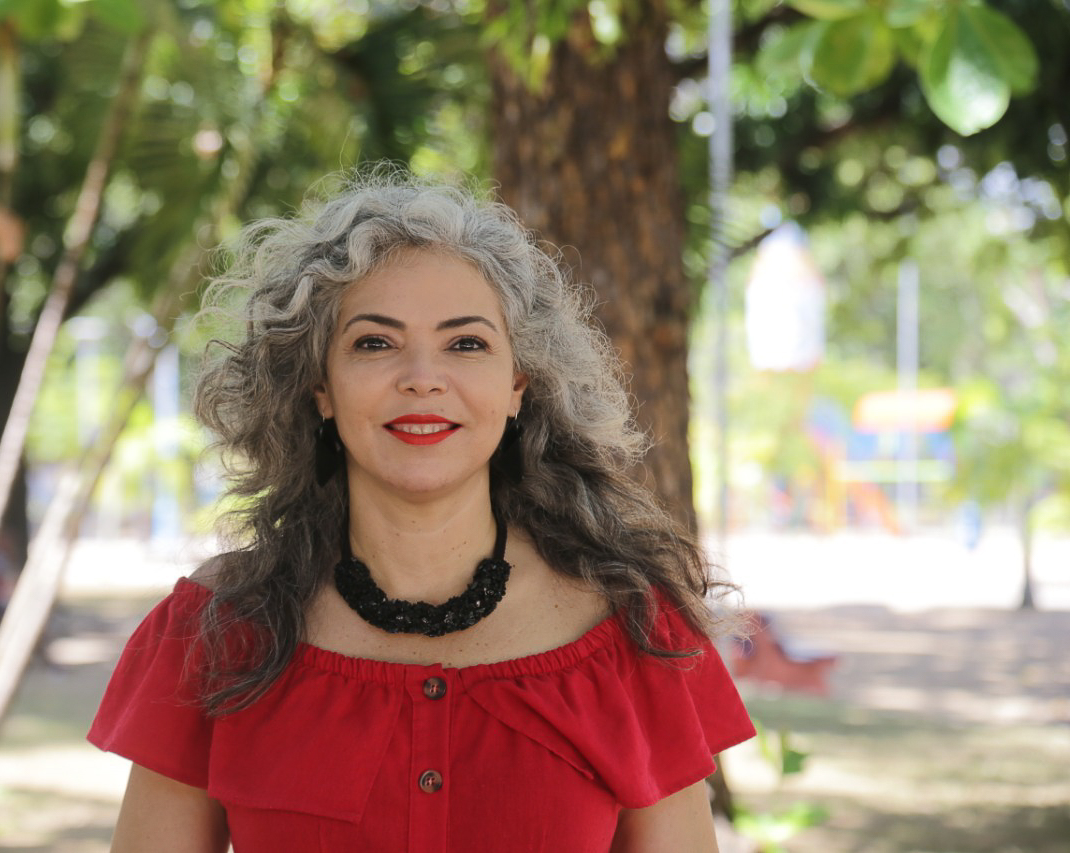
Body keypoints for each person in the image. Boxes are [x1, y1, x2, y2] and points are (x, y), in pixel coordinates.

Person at [88, 174, 755, 852]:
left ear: (517, 385)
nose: (422, 379)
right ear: (320, 387)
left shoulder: (634, 630)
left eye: (466, 344)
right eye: (374, 343)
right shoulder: (214, 631)